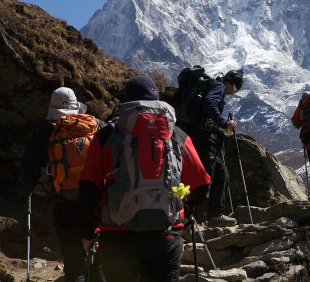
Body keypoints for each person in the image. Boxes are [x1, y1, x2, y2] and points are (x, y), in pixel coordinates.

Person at [78, 74, 211, 282]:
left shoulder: (106, 136)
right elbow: (202, 185)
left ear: (126, 102)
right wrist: (185, 214)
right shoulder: (176, 135)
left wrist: (88, 233)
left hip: (116, 235)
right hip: (165, 234)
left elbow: (89, 188)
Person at [19, 87, 104, 282]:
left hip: (66, 202)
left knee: (74, 264)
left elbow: (29, 166)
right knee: (99, 261)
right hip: (98, 205)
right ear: (76, 106)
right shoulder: (96, 125)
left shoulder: (45, 131)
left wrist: (26, 188)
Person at [182, 69, 244, 227]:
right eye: (235, 88)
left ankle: (215, 214)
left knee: (221, 171)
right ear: (230, 82)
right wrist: (224, 123)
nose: (233, 93)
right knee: (205, 176)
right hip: (201, 137)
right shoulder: (219, 87)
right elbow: (209, 103)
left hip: (197, 134)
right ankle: (188, 215)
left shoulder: (212, 86)